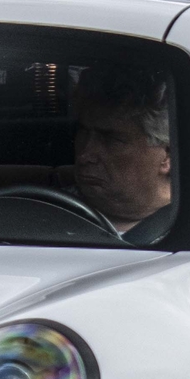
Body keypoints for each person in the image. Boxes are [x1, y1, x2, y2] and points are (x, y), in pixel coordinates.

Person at [70, 65, 174, 245]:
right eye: (83, 133)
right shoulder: (48, 211)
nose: (85, 155)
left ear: (167, 156)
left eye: (111, 140)